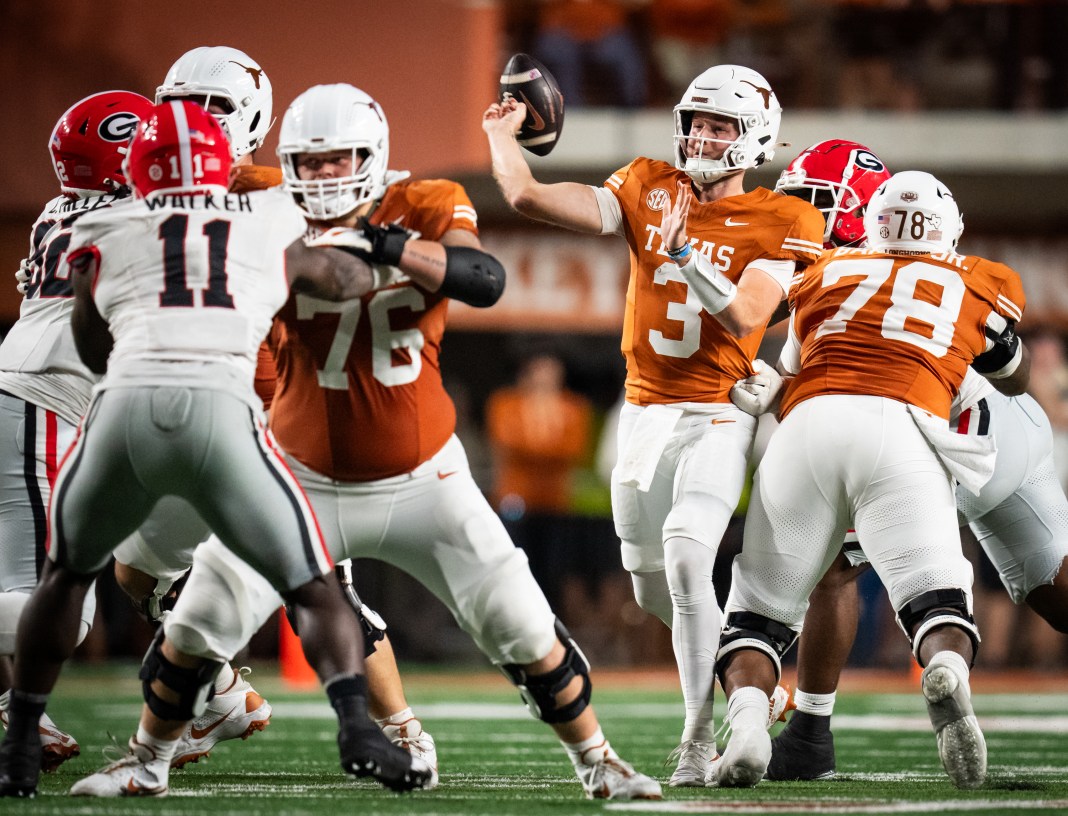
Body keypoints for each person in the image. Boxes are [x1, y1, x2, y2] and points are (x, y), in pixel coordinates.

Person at [131, 83, 662, 801]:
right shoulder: (265, 207)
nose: (323, 175)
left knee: (524, 626)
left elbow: (483, 280)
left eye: (339, 159)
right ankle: (144, 762)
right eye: (308, 162)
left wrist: (384, 244)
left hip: (423, 478)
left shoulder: (425, 203)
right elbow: (188, 174)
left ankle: (600, 762)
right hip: (294, 476)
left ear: (373, 157)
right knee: (199, 622)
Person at [0, 100, 429, 799]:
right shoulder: (261, 217)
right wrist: (371, 247)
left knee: (66, 580)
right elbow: (344, 279)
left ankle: (20, 745)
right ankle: (357, 726)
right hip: (225, 416)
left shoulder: (99, 225)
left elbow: (90, 344)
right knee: (311, 581)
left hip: (127, 412)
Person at [483, 63, 824, 785]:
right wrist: (501, 138)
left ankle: (698, 740)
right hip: (642, 415)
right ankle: (752, 678)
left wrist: (683, 255)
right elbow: (526, 195)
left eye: (719, 125)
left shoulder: (785, 217)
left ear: (754, 136)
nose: (700, 136)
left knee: (687, 557)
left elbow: (747, 315)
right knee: (649, 590)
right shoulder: (647, 182)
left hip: (717, 413)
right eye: (695, 121)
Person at [110, 45, 439, 777]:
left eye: (212, 107)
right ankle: (221, 695)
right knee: (134, 571)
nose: (194, 120)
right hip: (194, 420)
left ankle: (405, 731)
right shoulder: (152, 193)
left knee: (322, 591)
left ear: (253, 121)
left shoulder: (280, 194)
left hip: (277, 422)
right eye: (182, 105)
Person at [737, 140, 1068, 782]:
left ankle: (809, 731)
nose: (797, 219)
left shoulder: (839, 275)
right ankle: (814, 731)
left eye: (813, 205)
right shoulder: (892, 271)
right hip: (962, 435)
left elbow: (819, 394)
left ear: (864, 213)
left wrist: (772, 388)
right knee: (840, 562)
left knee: (840, 562)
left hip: (964, 439)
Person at [0, 90, 155, 773]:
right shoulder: (132, 215)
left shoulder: (60, 209)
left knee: (36, 591)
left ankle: (20, 716)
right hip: (47, 398)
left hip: (42, 395)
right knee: (57, 610)